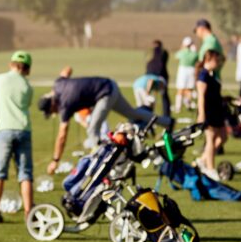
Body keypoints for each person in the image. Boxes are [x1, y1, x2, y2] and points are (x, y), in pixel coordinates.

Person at [39, 66, 171, 174]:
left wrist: (55, 160)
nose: (55, 113)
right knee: (133, 114)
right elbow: (67, 69)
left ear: (52, 104)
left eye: (51, 111)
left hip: (104, 94)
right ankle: (168, 122)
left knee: (92, 129)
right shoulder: (58, 84)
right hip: (110, 85)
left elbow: (62, 135)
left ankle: (102, 164)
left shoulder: (64, 104)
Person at [0, 51, 35, 224]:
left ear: (11, 64)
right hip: (23, 129)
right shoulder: (28, 87)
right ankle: (29, 213)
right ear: (28, 68)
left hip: (4, 130)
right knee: (25, 174)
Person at [195, 50, 228, 176]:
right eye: (216, 60)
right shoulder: (203, 75)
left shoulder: (211, 74)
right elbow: (201, 96)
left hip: (217, 110)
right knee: (211, 139)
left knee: (223, 137)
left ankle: (202, 160)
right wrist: (201, 114)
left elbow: (214, 94)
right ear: (209, 59)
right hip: (208, 111)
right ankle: (210, 169)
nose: (218, 63)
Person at [145, 40, 171, 117]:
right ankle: (166, 114)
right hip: (162, 75)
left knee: (148, 94)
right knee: (164, 95)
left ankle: (148, 113)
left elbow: (147, 62)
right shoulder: (164, 52)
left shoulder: (149, 52)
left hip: (150, 75)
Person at [173, 36, 198, 114]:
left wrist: (182, 48)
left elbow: (176, 56)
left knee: (180, 89)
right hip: (191, 70)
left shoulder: (182, 52)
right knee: (189, 89)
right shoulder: (194, 53)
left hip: (182, 71)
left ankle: (178, 107)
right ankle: (188, 105)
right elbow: (198, 58)